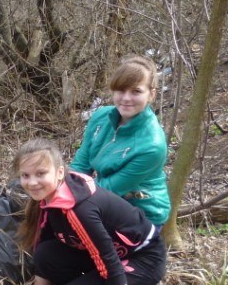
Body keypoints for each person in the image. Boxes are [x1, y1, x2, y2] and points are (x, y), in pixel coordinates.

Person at [16, 139, 169, 285]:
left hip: (143, 258)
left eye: (40, 173)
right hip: (113, 253)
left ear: (59, 172)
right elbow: (44, 255)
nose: (32, 182)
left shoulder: (80, 210)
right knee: (45, 253)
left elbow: (110, 264)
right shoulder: (51, 197)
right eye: (25, 175)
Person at [71, 55, 171, 226]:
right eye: (121, 90)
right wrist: (63, 186)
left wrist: (69, 196)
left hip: (142, 213)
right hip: (102, 200)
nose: (126, 98)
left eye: (136, 91)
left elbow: (108, 188)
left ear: (151, 94)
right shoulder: (100, 117)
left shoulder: (152, 145)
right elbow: (81, 165)